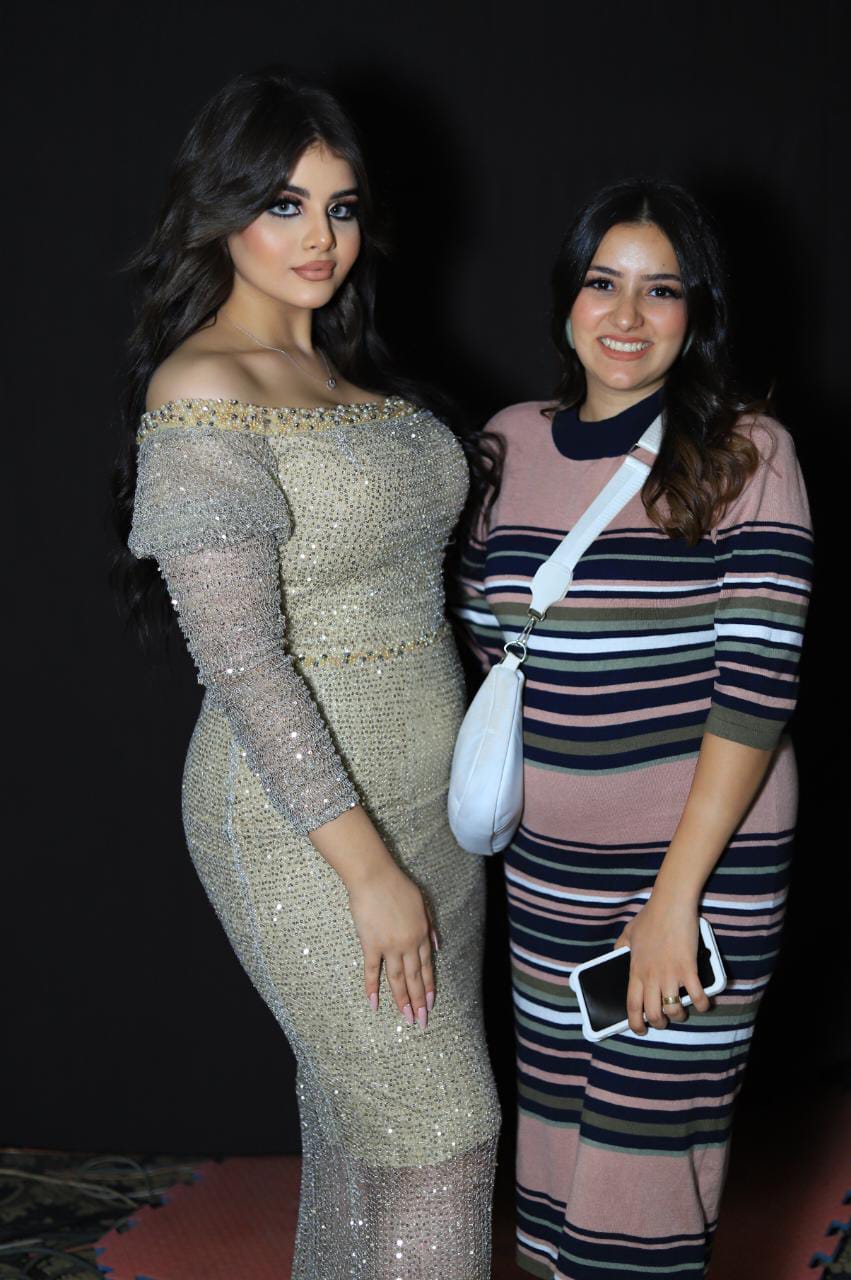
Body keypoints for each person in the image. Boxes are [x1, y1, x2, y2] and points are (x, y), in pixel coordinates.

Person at [113, 68, 500, 1279]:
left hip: (434, 809)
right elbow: (242, 662)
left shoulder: (352, 372)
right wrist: (369, 871)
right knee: (443, 1134)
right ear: (219, 210)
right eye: (283, 204)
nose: (319, 236)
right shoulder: (202, 386)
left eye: (339, 207)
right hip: (304, 823)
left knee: (359, 1137)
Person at [455, 177, 813, 1277]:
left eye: (660, 290)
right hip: (547, 871)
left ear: (696, 312)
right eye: (602, 282)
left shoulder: (746, 450)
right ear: (565, 298)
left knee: (641, 1173)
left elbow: (756, 690)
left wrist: (672, 902)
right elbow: (485, 649)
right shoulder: (506, 444)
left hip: (696, 872)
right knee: (561, 1157)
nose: (625, 314)